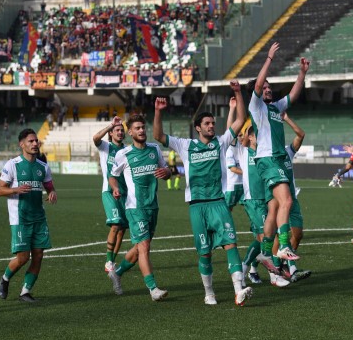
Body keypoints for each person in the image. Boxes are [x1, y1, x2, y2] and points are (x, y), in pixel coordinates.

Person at [153, 83, 253, 306]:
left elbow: (240, 119)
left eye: (213, 123)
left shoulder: (221, 142)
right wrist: (158, 111)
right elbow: (158, 135)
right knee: (205, 253)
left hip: (218, 203)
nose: (211, 126)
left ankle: (239, 290)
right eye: (207, 123)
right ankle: (209, 293)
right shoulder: (185, 145)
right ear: (198, 128)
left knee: (231, 244)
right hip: (197, 206)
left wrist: (238, 93)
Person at [249, 42, 309, 268]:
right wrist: (269, 59)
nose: (267, 89)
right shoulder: (257, 107)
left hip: (277, 160)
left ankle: (266, 252)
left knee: (275, 208)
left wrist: (302, 73)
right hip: (268, 159)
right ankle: (283, 246)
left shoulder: (276, 107)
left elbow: (293, 95)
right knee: (287, 201)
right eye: (264, 87)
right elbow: (257, 84)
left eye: (269, 87)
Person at [106, 114, 171, 300]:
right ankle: (153, 289)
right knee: (144, 247)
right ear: (130, 132)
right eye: (137, 128)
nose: (142, 130)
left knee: (139, 248)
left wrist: (166, 172)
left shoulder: (155, 149)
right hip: (135, 207)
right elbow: (112, 176)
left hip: (153, 206)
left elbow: (166, 171)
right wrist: (115, 187)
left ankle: (117, 273)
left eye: (143, 127)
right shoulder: (123, 154)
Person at [228, 117, 290, 288]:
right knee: (268, 238)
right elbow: (230, 132)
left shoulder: (265, 153)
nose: (258, 138)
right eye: (255, 135)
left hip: (267, 200)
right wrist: (233, 110)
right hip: (253, 200)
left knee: (261, 238)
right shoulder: (243, 151)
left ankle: (245, 269)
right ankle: (274, 275)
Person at [0, 128, 58, 303]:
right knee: (23, 258)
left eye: (36, 141)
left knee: (38, 255)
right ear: (22, 144)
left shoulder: (43, 166)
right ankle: (5, 278)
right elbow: (0, 190)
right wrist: (16, 189)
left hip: (39, 218)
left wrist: (52, 192)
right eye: (31, 141)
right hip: (20, 218)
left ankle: (25, 291)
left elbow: (49, 186)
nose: (35, 144)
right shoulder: (12, 165)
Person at [273, 112, 312, 283]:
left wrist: (287, 118)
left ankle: (284, 264)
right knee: (278, 236)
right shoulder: (268, 155)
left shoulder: (288, 151)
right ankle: (281, 269)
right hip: (278, 199)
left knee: (298, 234)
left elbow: (301, 135)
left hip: (292, 199)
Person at [93, 116, 128, 273]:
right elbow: (95, 138)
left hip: (125, 193)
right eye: (117, 130)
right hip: (108, 191)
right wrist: (110, 125)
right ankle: (108, 261)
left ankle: (112, 262)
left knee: (122, 229)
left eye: (121, 130)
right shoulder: (105, 147)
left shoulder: (127, 150)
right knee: (115, 225)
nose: (120, 132)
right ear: (111, 134)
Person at [224, 111, 244, 211]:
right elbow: (233, 169)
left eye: (242, 135)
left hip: (244, 184)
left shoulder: (244, 147)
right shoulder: (231, 149)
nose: (241, 137)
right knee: (227, 210)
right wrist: (232, 109)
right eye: (239, 135)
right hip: (233, 185)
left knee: (251, 208)